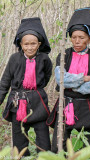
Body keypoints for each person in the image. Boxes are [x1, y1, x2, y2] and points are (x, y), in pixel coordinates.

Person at [47, 7, 90, 153]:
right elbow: (60, 78)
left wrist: (71, 85)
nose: (77, 41)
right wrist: (83, 78)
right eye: (74, 37)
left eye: (82, 37)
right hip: (65, 103)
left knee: (87, 147)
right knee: (58, 145)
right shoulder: (64, 55)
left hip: (88, 105)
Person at [0, 17, 52, 156]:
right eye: (26, 44)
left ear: (39, 44)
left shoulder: (45, 59)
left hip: (38, 103)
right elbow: (5, 82)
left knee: (44, 142)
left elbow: (47, 77)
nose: (30, 47)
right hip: (18, 105)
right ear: (21, 44)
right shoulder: (14, 59)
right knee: (19, 143)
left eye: (33, 44)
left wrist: (35, 91)